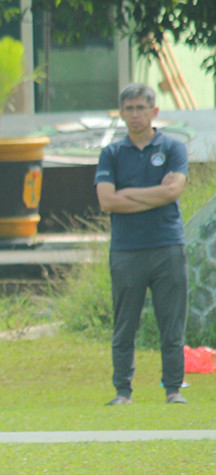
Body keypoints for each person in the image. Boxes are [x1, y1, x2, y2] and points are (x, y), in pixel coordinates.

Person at [95, 83, 189, 405]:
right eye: (129, 109)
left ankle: (173, 389)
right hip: (126, 249)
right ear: (121, 113)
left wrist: (129, 194)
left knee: (171, 323)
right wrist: (154, 196)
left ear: (154, 112)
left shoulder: (173, 149)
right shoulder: (111, 154)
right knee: (125, 324)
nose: (135, 115)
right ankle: (123, 391)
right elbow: (106, 201)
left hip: (167, 245)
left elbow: (172, 193)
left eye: (141, 108)